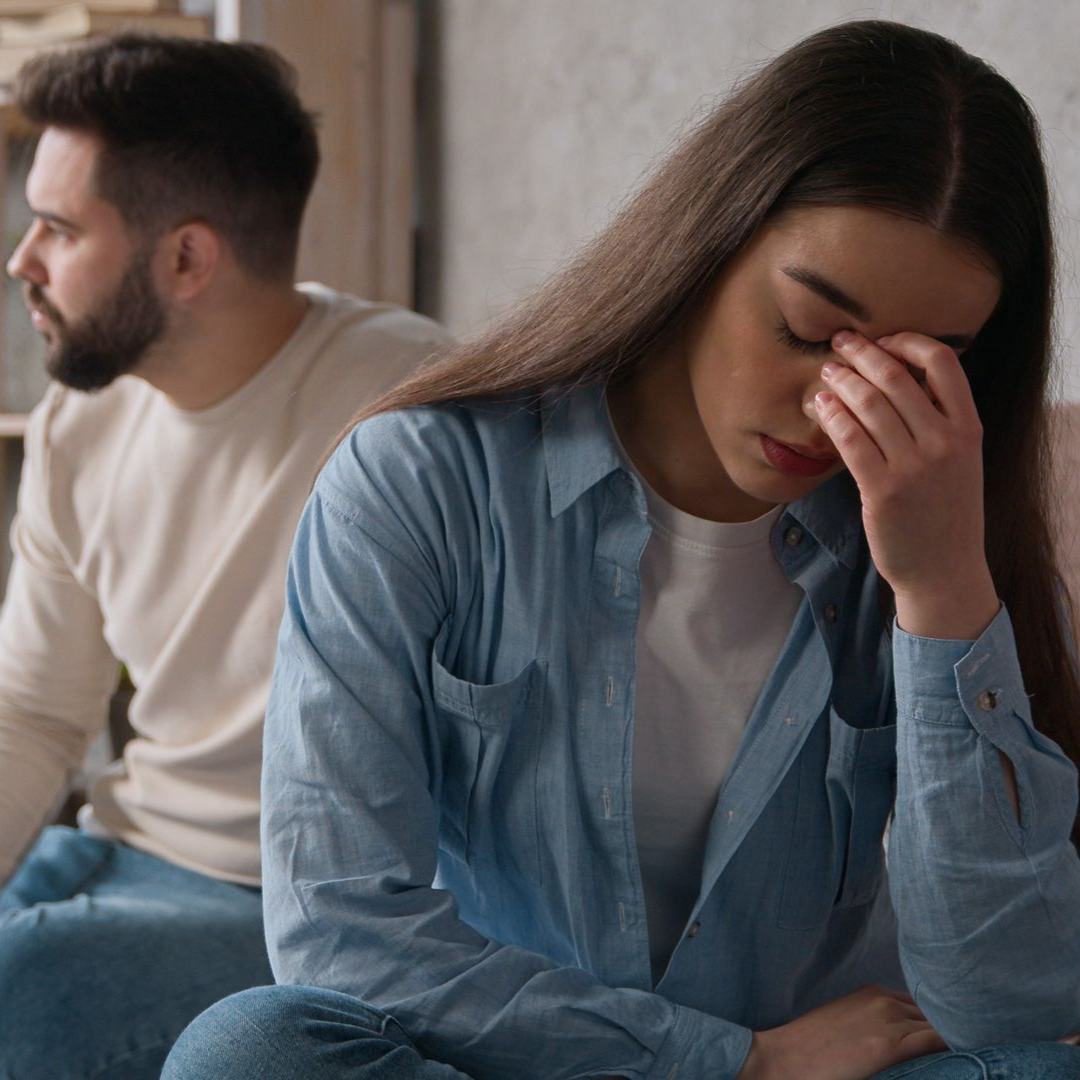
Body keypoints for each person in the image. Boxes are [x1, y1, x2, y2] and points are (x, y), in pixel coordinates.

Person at [165, 20, 1080, 1080]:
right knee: (250, 1053)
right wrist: (738, 1064)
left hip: (829, 1065)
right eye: (805, 330)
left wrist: (941, 592)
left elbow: (1008, 1004)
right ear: (704, 246)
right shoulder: (424, 481)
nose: (837, 411)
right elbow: (339, 934)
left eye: (916, 371)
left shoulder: (940, 526)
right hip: (530, 1063)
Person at [0, 32, 448, 1080]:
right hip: (122, 851)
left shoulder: (418, 409)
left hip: (305, 904)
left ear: (187, 259)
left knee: (21, 981)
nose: (22, 260)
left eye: (59, 228)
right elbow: (33, 712)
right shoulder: (79, 425)